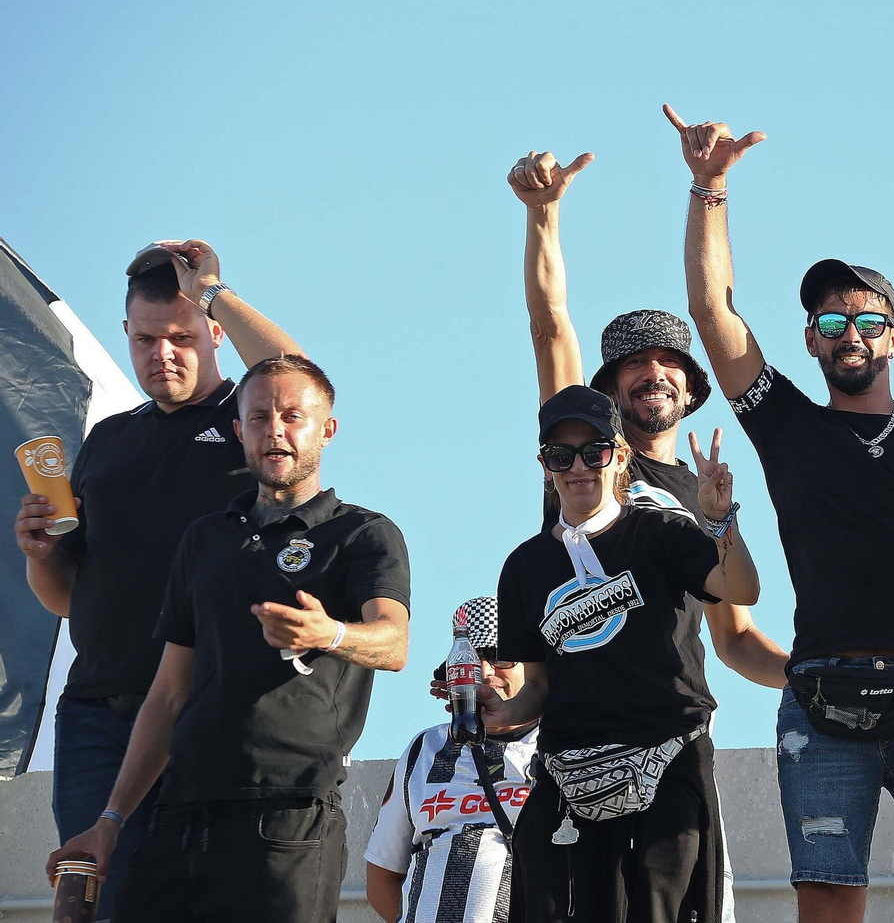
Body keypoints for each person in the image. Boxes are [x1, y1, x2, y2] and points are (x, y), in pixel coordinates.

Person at [670, 105, 894, 923]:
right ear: (811, 340)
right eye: (832, 322)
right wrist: (709, 187)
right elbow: (712, 314)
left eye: (869, 321)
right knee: (830, 896)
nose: (851, 334)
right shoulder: (789, 426)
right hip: (820, 693)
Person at [507, 148, 791, 920]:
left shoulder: (704, 497)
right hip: (574, 750)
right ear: (607, 390)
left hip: (672, 752)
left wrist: (812, 672)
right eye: (634, 363)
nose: (654, 372)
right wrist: (543, 215)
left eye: (670, 360)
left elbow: (736, 638)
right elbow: (550, 328)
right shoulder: (580, 465)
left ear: (692, 387)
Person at [46, 354, 411, 923]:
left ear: (327, 430)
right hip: (178, 815)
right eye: (259, 417)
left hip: (288, 815)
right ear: (239, 432)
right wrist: (110, 822)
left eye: (293, 416)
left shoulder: (362, 534)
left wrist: (330, 632)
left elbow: (393, 642)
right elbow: (168, 692)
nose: (275, 431)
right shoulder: (205, 539)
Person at [12, 240, 301, 918]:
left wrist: (213, 291)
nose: (162, 354)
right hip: (96, 715)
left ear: (215, 333)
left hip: (210, 705)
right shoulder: (107, 440)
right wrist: (39, 554)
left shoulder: (250, 423)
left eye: (181, 337)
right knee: (103, 901)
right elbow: (69, 597)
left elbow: (294, 377)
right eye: (145, 339)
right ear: (126, 333)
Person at [494, 385, 760, 923]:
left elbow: (742, 590)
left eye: (593, 451)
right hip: (569, 772)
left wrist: (720, 519)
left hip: (668, 755)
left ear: (619, 456)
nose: (578, 467)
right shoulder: (524, 566)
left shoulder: (662, 530)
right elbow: (538, 688)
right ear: (545, 466)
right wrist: (495, 715)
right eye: (561, 455)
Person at [366, 596, 539, 923]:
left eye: (501, 658)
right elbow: (382, 875)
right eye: (471, 661)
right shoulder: (426, 749)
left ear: (533, 667)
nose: (485, 671)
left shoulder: (558, 748)